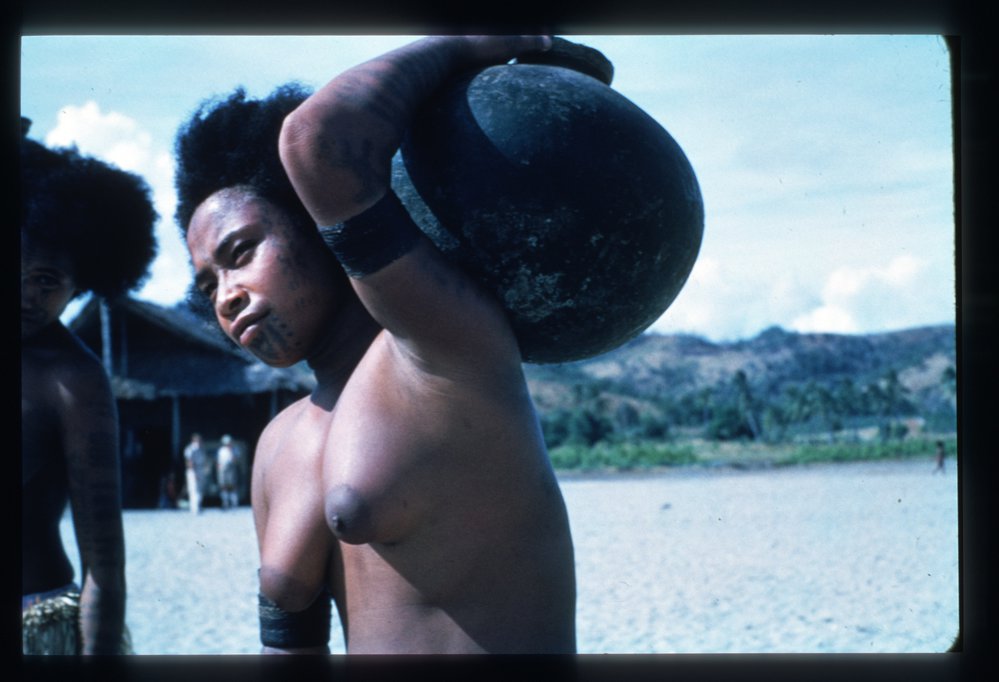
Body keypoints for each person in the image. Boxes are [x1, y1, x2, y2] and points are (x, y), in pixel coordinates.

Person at [174, 35, 576, 654]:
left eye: (241, 253)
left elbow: (317, 139)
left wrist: (481, 42)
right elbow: (290, 649)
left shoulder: (443, 352)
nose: (225, 296)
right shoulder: (277, 444)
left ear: (316, 225)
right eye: (208, 283)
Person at [21, 119, 157, 654]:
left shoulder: (74, 379)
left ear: (81, 285)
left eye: (47, 281)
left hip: (34, 625)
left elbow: (105, 569)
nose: (24, 294)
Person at [183, 433, 207, 514]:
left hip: (200, 470)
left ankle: (198, 506)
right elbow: (189, 462)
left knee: (200, 490)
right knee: (193, 490)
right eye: (197, 440)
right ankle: (194, 508)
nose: (199, 441)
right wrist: (194, 473)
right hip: (193, 471)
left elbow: (204, 461)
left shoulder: (201, 449)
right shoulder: (190, 449)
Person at [217, 435, 239, 509]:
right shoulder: (221, 450)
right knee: (223, 486)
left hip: (231, 469)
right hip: (223, 469)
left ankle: (234, 503)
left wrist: (231, 452)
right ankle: (225, 503)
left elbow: (236, 460)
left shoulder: (234, 449)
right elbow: (218, 461)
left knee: (232, 486)